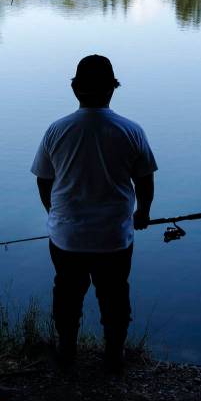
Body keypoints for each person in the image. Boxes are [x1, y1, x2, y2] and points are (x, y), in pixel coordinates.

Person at [31, 55, 158, 374]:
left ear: (75, 89)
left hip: (66, 237)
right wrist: (143, 213)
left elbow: (44, 180)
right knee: (115, 296)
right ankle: (114, 356)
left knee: (67, 295)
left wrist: (53, 214)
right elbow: (145, 179)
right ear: (112, 90)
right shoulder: (131, 130)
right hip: (114, 237)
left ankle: (66, 352)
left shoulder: (56, 130)